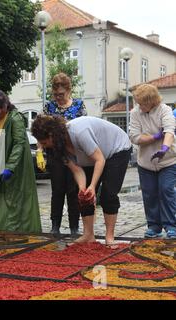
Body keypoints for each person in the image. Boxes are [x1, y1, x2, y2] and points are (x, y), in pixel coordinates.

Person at [31, 115, 132, 247]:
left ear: (52, 134)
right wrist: (83, 188)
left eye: (44, 143)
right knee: (83, 196)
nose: (43, 147)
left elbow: (99, 160)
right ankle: (88, 234)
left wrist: (93, 186)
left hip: (116, 149)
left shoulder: (79, 132)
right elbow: (77, 170)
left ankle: (109, 237)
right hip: (93, 157)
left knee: (108, 194)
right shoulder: (57, 147)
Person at [0, 90, 41, 233]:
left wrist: (10, 167)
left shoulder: (15, 119)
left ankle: (18, 228)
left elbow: (19, 144)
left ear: (7, 105)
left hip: (16, 163)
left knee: (16, 195)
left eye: (1, 108)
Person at [41, 73, 87, 236]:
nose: (58, 97)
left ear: (68, 90)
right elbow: (42, 129)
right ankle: (55, 225)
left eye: (61, 94)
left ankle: (74, 226)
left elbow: (84, 129)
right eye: (55, 94)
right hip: (55, 154)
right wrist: (41, 148)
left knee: (73, 191)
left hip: (74, 153)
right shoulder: (49, 107)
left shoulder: (79, 105)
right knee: (57, 190)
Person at [129, 84, 176, 239]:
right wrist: (155, 137)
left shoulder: (165, 110)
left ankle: (171, 225)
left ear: (152, 101)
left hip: (168, 160)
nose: (139, 106)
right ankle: (154, 226)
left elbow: (169, 131)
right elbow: (135, 137)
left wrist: (164, 148)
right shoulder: (135, 113)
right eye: (137, 102)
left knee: (166, 189)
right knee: (149, 194)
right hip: (146, 161)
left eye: (141, 103)